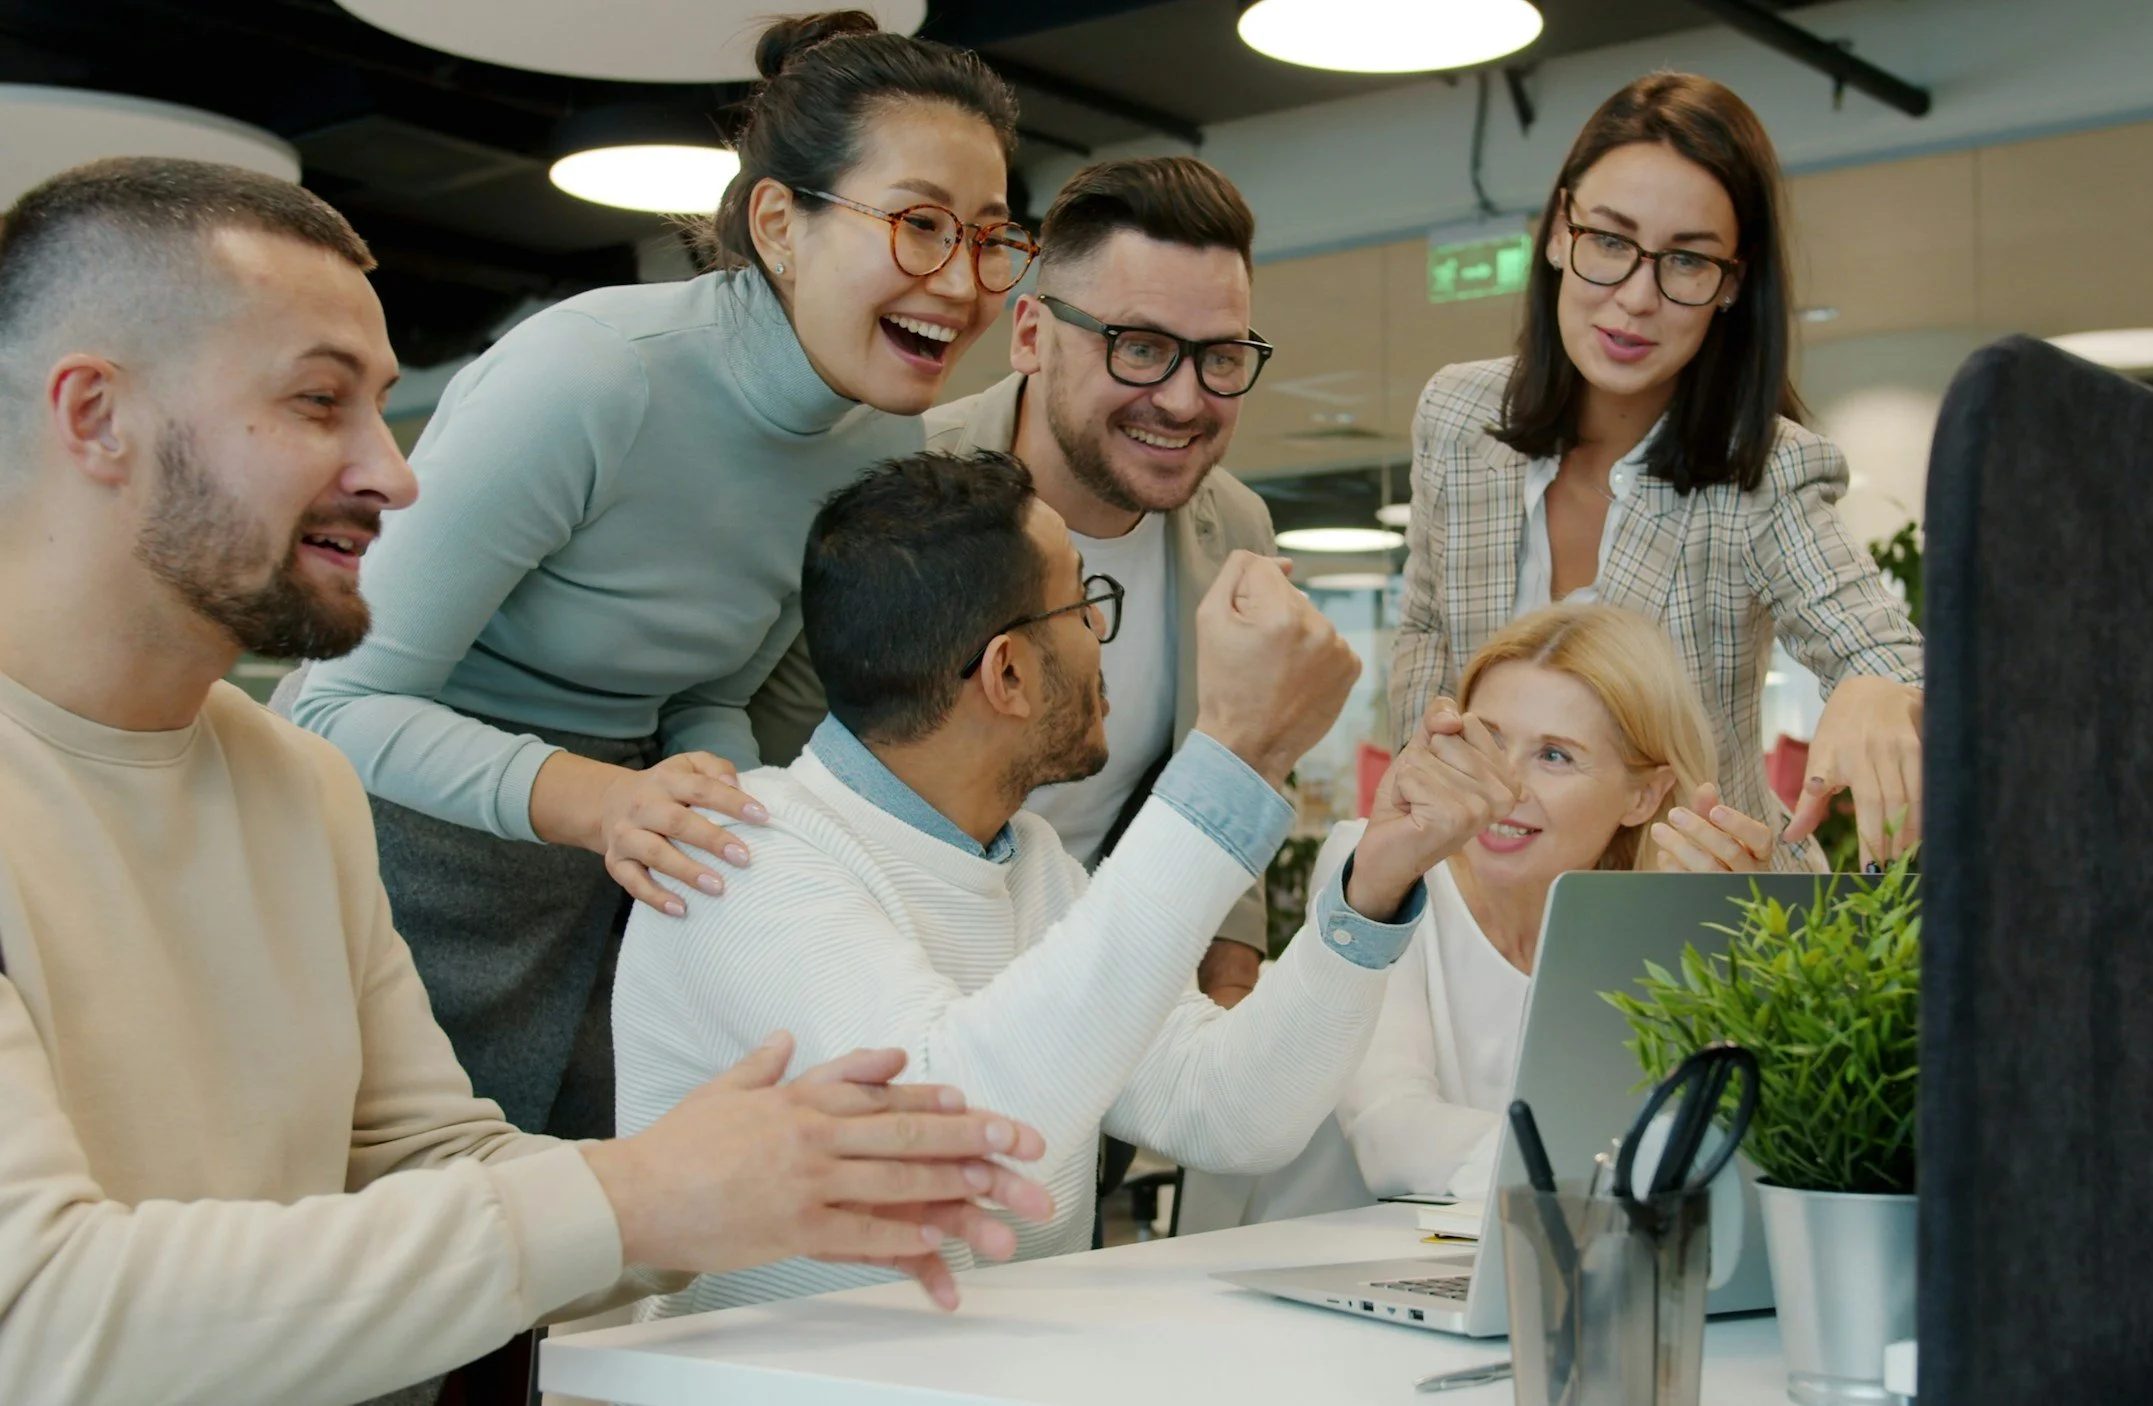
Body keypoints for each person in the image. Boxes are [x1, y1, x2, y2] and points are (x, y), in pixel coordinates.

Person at [0, 157, 1053, 1406]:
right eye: (317, 401)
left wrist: (754, 1187)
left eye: (380, 410)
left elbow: (428, 1158)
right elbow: (39, 1313)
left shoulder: (294, 777)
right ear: (94, 416)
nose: (393, 474)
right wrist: (641, 1195)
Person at [288, 12, 1031, 1138]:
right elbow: (333, 703)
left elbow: (712, 694)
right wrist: (607, 799)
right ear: (781, 222)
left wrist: (744, 816)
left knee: (589, 1273)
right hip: (405, 874)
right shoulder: (596, 375)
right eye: (920, 224)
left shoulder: (881, 444)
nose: (963, 279)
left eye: (989, 237)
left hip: (620, 877)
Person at [614, 449, 1521, 1314]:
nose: (1101, 637)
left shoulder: (1031, 860)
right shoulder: (743, 856)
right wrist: (1233, 757)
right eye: (1085, 605)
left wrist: (1370, 888)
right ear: (1007, 672)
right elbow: (957, 1119)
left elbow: (1231, 1111)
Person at [749, 154, 1280, 1006]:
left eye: (1220, 358)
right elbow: (773, 754)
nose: (1184, 400)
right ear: (1030, 333)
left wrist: (1229, 963)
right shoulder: (892, 484)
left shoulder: (1237, 530)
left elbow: (1222, 758)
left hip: (1101, 1002)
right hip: (863, 990)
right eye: (1140, 348)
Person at [1390, 70, 1925, 871]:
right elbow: (1430, 626)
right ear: (1558, 233)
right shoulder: (1459, 417)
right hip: (1485, 902)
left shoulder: (1762, 474)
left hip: (1699, 929)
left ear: (1732, 284)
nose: (1637, 297)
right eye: (1609, 241)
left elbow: (1889, 660)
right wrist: (1431, 780)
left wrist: (1880, 689)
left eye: (1687, 261)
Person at [1338, 603, 1792, 1200]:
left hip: (1537, 1273)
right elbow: (1390, 1136)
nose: (1503, 786)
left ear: (1645, 795)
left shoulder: (1647, 925)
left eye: (1554, 755)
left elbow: (1759, 1136)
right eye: (1488, 740)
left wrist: (1748, 951)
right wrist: (1624, 1171)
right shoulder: (1375, 861)